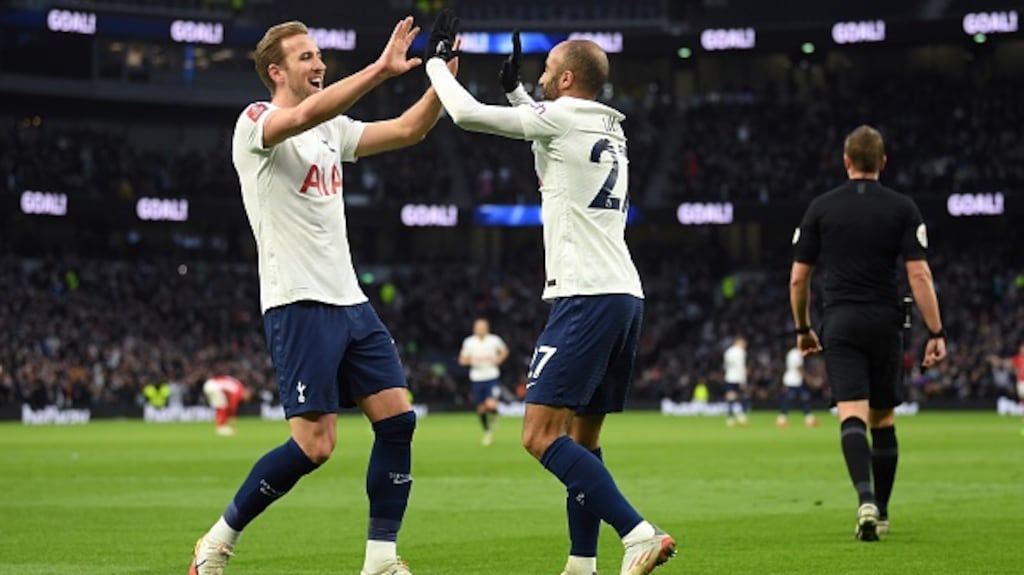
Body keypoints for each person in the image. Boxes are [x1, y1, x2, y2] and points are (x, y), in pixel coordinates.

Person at [189, 13, 462, 575]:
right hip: (297, 300)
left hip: (349, 300)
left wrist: (443, 82)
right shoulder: (255, 121)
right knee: (315, 446)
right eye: (306, 57)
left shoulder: (331, 131)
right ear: (276, 70)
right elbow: (310, 111)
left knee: (398, 421)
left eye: (318, 55)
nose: (318, 64)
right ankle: (216, 542)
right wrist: (382, 69)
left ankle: (381, 560)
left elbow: (408, 130)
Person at [425, 25, 676, 575]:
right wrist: (519, 95)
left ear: (565, 79)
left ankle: (638, 533)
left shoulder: (561, 118)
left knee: (539, 436)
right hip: (624, 296)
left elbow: (467, 116)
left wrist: (435, 66)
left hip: (585, 297)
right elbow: (551, 160)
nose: (537, 79)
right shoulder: (609, 130)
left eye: (545, 73)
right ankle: (581, 565)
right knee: (582, 443)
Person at [789, 125, 946, 541]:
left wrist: (803, 327)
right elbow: (919, 273)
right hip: (885, 321)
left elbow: (798, 279)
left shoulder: (821, 208)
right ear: (883, 162)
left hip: (839, 321)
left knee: (851, 414)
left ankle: (864, 499)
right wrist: (936, 330)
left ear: (845, 161)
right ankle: (885, 509)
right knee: (883, 417)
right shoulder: (902, 207)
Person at [458, 317, 509, 445]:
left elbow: (504, 351)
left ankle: (494, 413)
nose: (479, 329)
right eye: (477, 327)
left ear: (487, 328)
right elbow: (462, 359)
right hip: (477, 378)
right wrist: (473, 361)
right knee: (481, 408)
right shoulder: (469, 342)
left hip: (491, 376)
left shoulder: (494, 340)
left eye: (482, 327)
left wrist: (499, 359)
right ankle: (487, 432)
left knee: (490, 404)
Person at [776, 346, 818, 428]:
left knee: (803, 399)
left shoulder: (793, 352)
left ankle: (809, 418)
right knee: (790, 400)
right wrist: (808, 379)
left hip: (795, 381)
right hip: (792, 381)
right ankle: (782, 419)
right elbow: (799, 368)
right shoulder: (796, 354)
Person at [989, 342, 1024, 433]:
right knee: (1022, 401)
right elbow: (1007, 363)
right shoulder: (1017, 358)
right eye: (1022, 348)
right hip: (1021, 382)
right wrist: (998, 361)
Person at [722, 336, 749, 427]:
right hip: (738, 377)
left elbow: (725, 365)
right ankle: (741, 416)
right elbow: (740, 366)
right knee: (742, 395)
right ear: (739, 342)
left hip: (729, 376)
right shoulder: (741, 352)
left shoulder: (728, 351)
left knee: (730, 396)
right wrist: (743, 379)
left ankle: (730, 418)